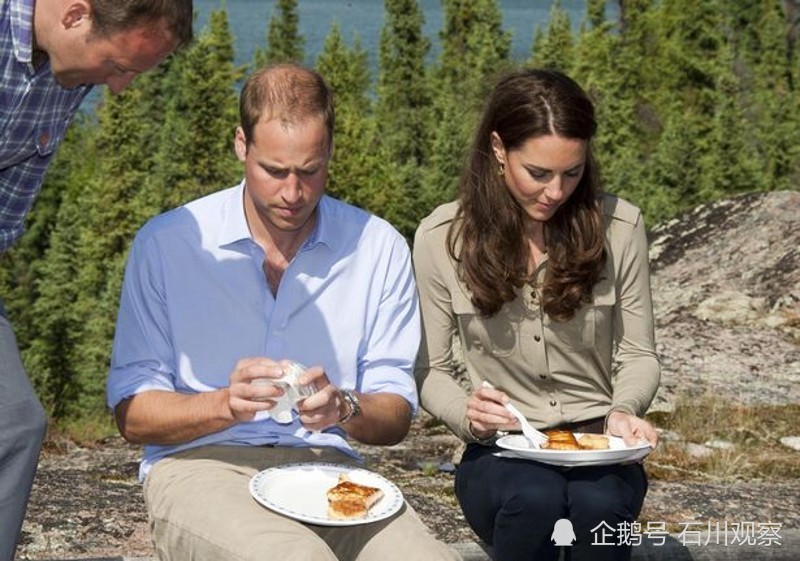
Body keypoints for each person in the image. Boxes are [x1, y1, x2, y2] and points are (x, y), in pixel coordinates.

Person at [106, 63, 459, 561]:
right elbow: (133, 415)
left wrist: (345, 409)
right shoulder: (169, 243)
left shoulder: (377, 246)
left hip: (328, 469)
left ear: (331, 151)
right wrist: (224, 405)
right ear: (240, 145)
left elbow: (396, 411)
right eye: (274, 171)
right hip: (200, 464)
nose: (293, 193)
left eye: (310, 171)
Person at [413, 68, 661, 561]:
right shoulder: (441, 237)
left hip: (599, 442)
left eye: (572, 173)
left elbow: (639, 354)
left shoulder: (621, 227)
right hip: (500, 449)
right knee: (534, 499)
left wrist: (623, 410)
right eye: (539, 174)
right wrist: (468, 414)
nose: (555, 192)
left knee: (601, 504)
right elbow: (429, 371)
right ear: (499, 149)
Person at [1, 0, 192, 556]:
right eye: (118, 67)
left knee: (13, 424)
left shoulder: (65, 65)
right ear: (75, 15)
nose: (121, 88)